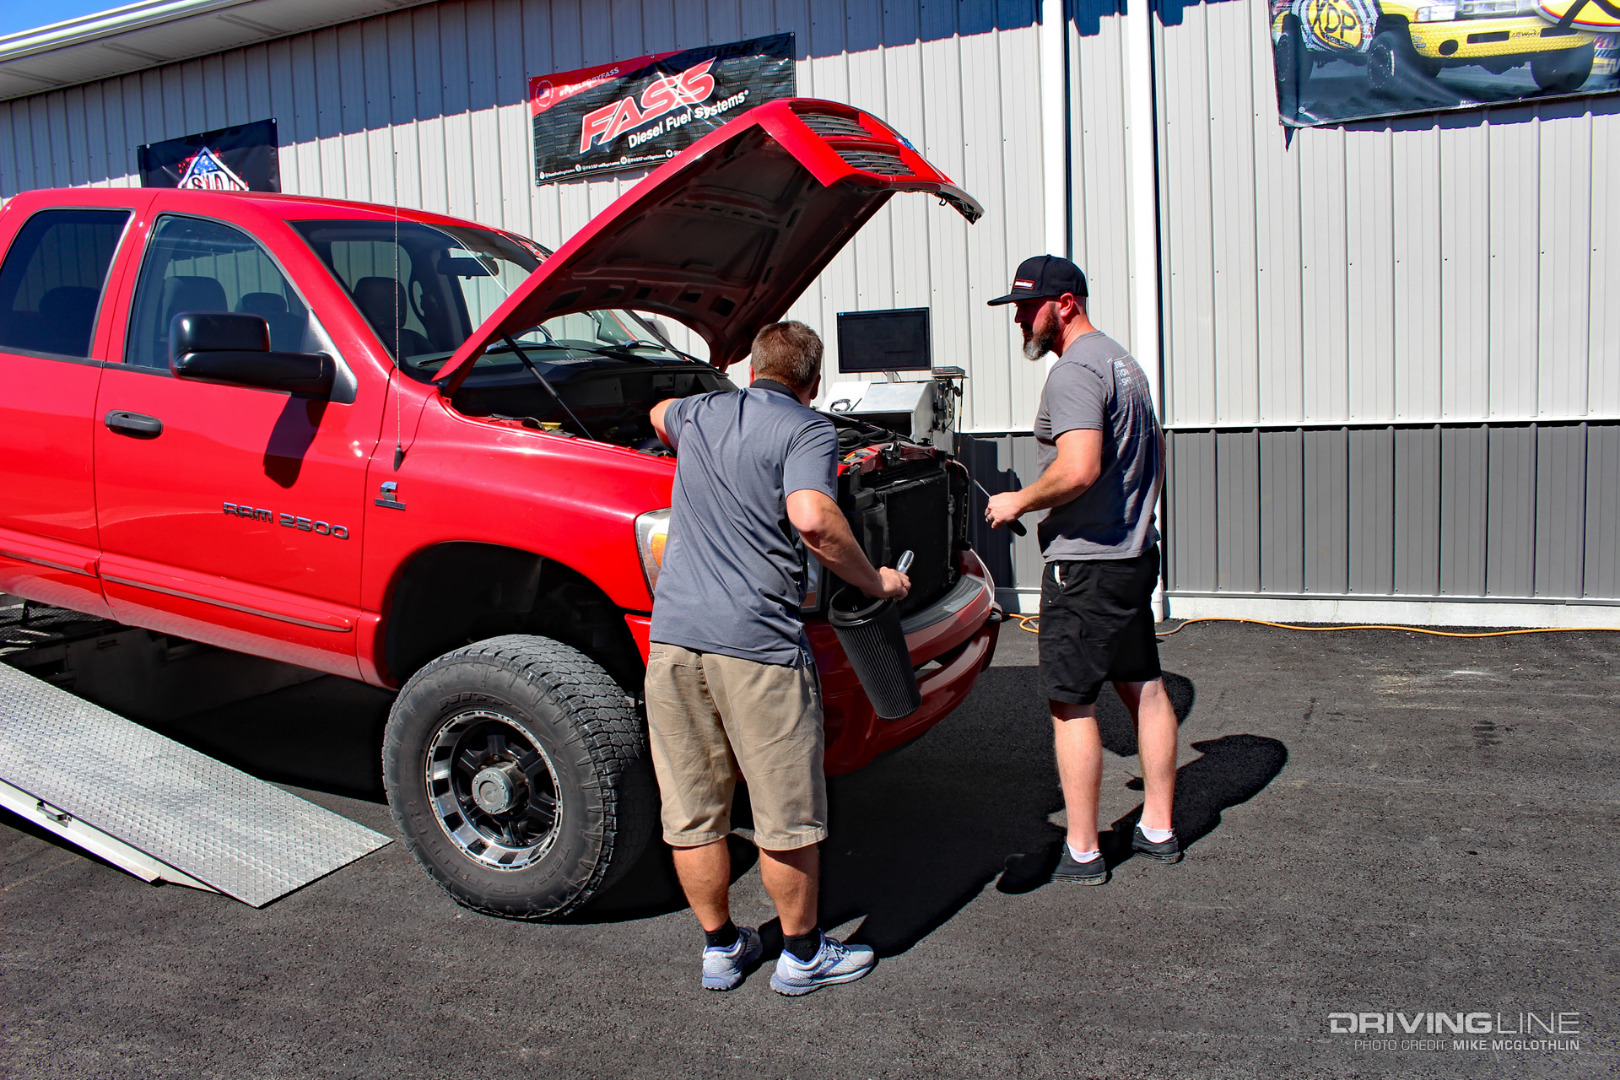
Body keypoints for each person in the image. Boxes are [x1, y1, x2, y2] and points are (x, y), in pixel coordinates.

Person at [646, 320, 910, 993]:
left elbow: (655, 413)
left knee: (693, 809)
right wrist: (875, 580)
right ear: (812, 383)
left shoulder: (701, 411)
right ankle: (800, 956)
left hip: (674, 640)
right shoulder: (809, 429)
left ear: (753, 367)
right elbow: (814, 518)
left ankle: (720, 948)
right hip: (757, 645)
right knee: (786, 812)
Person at [983, 255, 1179, 886]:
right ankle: (1158, 828)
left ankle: (1084, 851)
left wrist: (1018, 499)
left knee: (1071, 704)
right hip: (1130, 555)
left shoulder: (1074, 373)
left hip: (1087, 566)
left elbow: (1079, 468)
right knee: (1144, 686)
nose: (1018, 318)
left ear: (1064, 303)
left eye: (1026, 306)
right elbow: (1150, 457)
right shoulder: (1125, 364)